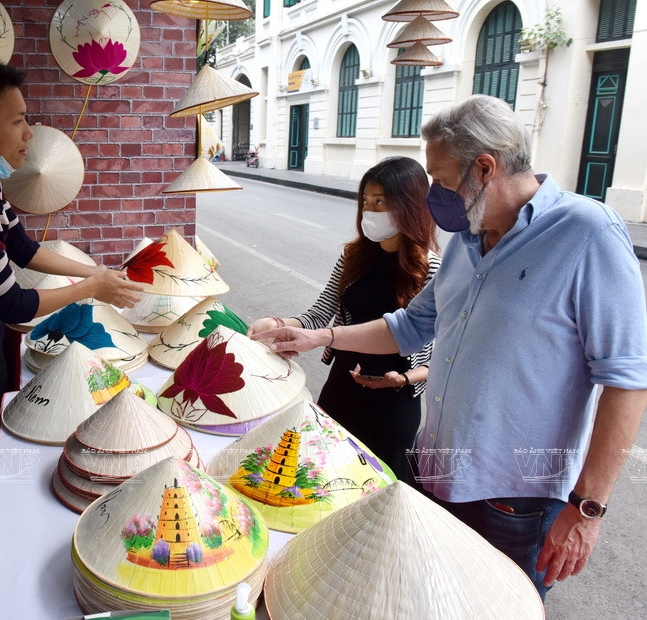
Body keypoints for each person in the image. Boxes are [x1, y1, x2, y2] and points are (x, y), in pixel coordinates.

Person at [252, 95, 647, 600]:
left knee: (497, 606)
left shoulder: (586, 233)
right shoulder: (467, 237)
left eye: (440, 181)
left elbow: (627, 379)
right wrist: (320, 336)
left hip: (515, 497)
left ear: (484, 168)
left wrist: (587, 509)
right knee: (430, 599)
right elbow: (412, 325)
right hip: (436, 471)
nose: (433, 195)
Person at [0, 54, 143, 610]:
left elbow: (23, 248)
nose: (29, 132)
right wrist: (91, 289)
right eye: (17, 121)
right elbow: (11, 300)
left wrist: (93, 271)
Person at [247, 157, 440, 479]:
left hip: (393, 401)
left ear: (409, 206)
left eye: (380, 202)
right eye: (365, 201)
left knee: (381, 485)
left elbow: (443, 354)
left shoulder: (431, 270)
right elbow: (319, 313)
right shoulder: (353, 256)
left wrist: (405, 379)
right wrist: (277, 325)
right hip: (342, 386)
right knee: (321, 475)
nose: (369, 211)